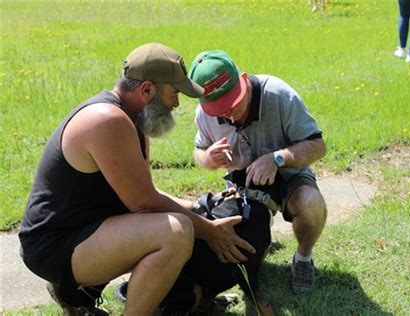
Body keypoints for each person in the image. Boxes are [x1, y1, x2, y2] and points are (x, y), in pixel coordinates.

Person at [19, 43, 255, 316]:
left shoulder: (132, 120)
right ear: (147, 90)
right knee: (176, 232)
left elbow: (146, 193)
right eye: (174, 93)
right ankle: (84, 291)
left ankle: (76, 295)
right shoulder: (108, 120)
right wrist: (209, 231)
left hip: (84, 231)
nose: (176, 103)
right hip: (53, 247)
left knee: (190, 216)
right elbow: (143, 205)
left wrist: (201, 208)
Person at [188, 50, 328, 294]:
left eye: (231, 104)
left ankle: (303, 258)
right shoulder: (205, 113)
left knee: (311, 204)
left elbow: (318, 146)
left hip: (289, 178)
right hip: (240, 188)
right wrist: (208, 157)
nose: (226, 114)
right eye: (217, 109)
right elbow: (199, 151)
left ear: (243, 79)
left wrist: (277, 158)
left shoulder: (279, 95)